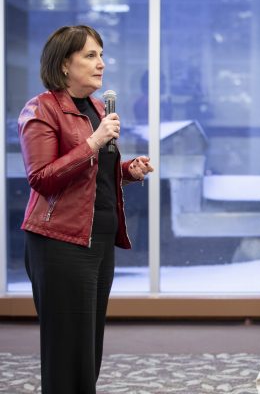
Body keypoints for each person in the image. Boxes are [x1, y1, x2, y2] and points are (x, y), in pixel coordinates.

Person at [18, 25, 154, 393]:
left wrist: (127, 171)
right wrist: (94, 142)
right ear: (65, 64)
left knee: (88, 346)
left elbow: (90, 174)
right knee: (66, 349)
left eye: (102, 55)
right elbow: (42, 178)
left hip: (98, 239)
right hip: (59, 242)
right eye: (91, 56)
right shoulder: (41, 109)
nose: (101, 64)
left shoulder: (95, 108)